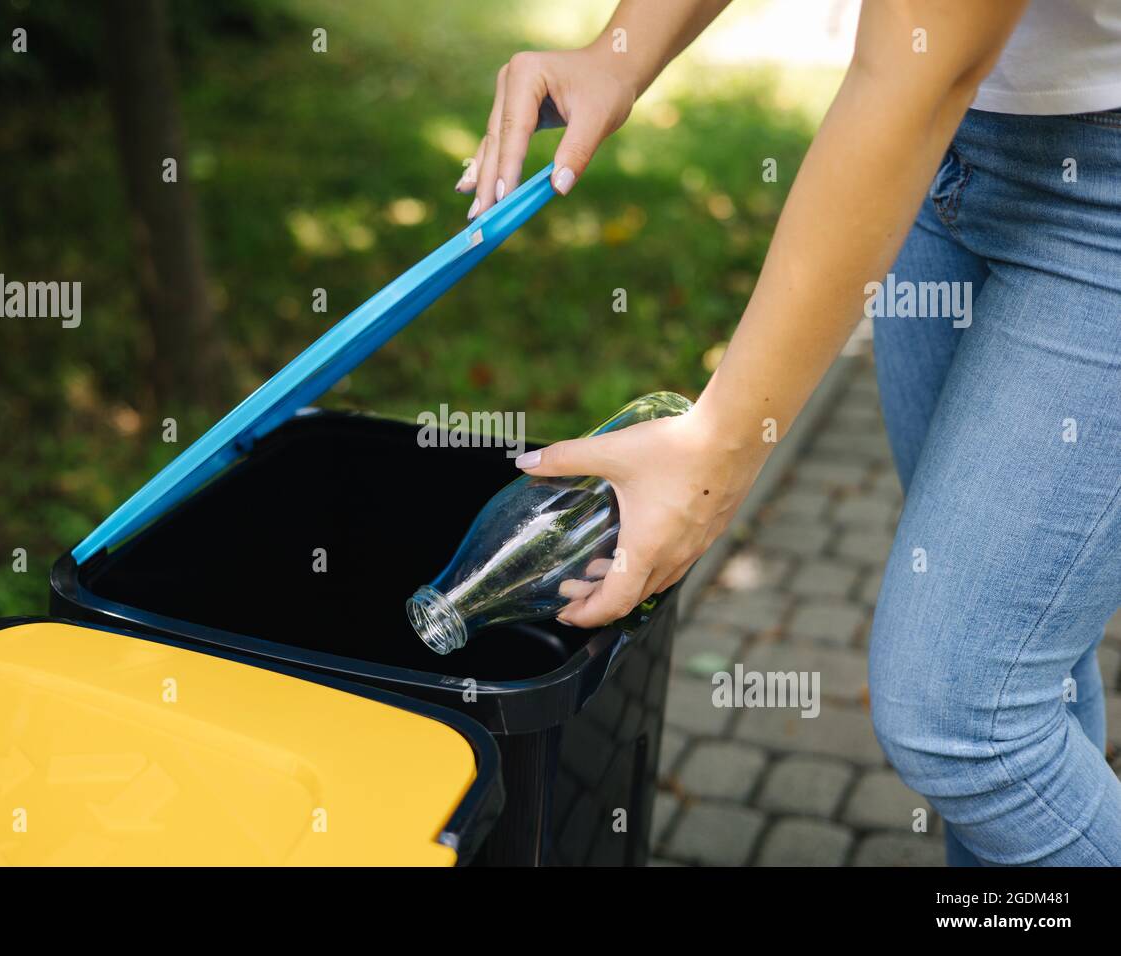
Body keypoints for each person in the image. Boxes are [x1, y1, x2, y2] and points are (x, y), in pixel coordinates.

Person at [465, 0, 1121, 865]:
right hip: (940, 158)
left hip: (1073, 190)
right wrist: (616, 55)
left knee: (968, 720)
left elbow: (918, 74)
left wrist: (716, 453)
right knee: (1028, 668)